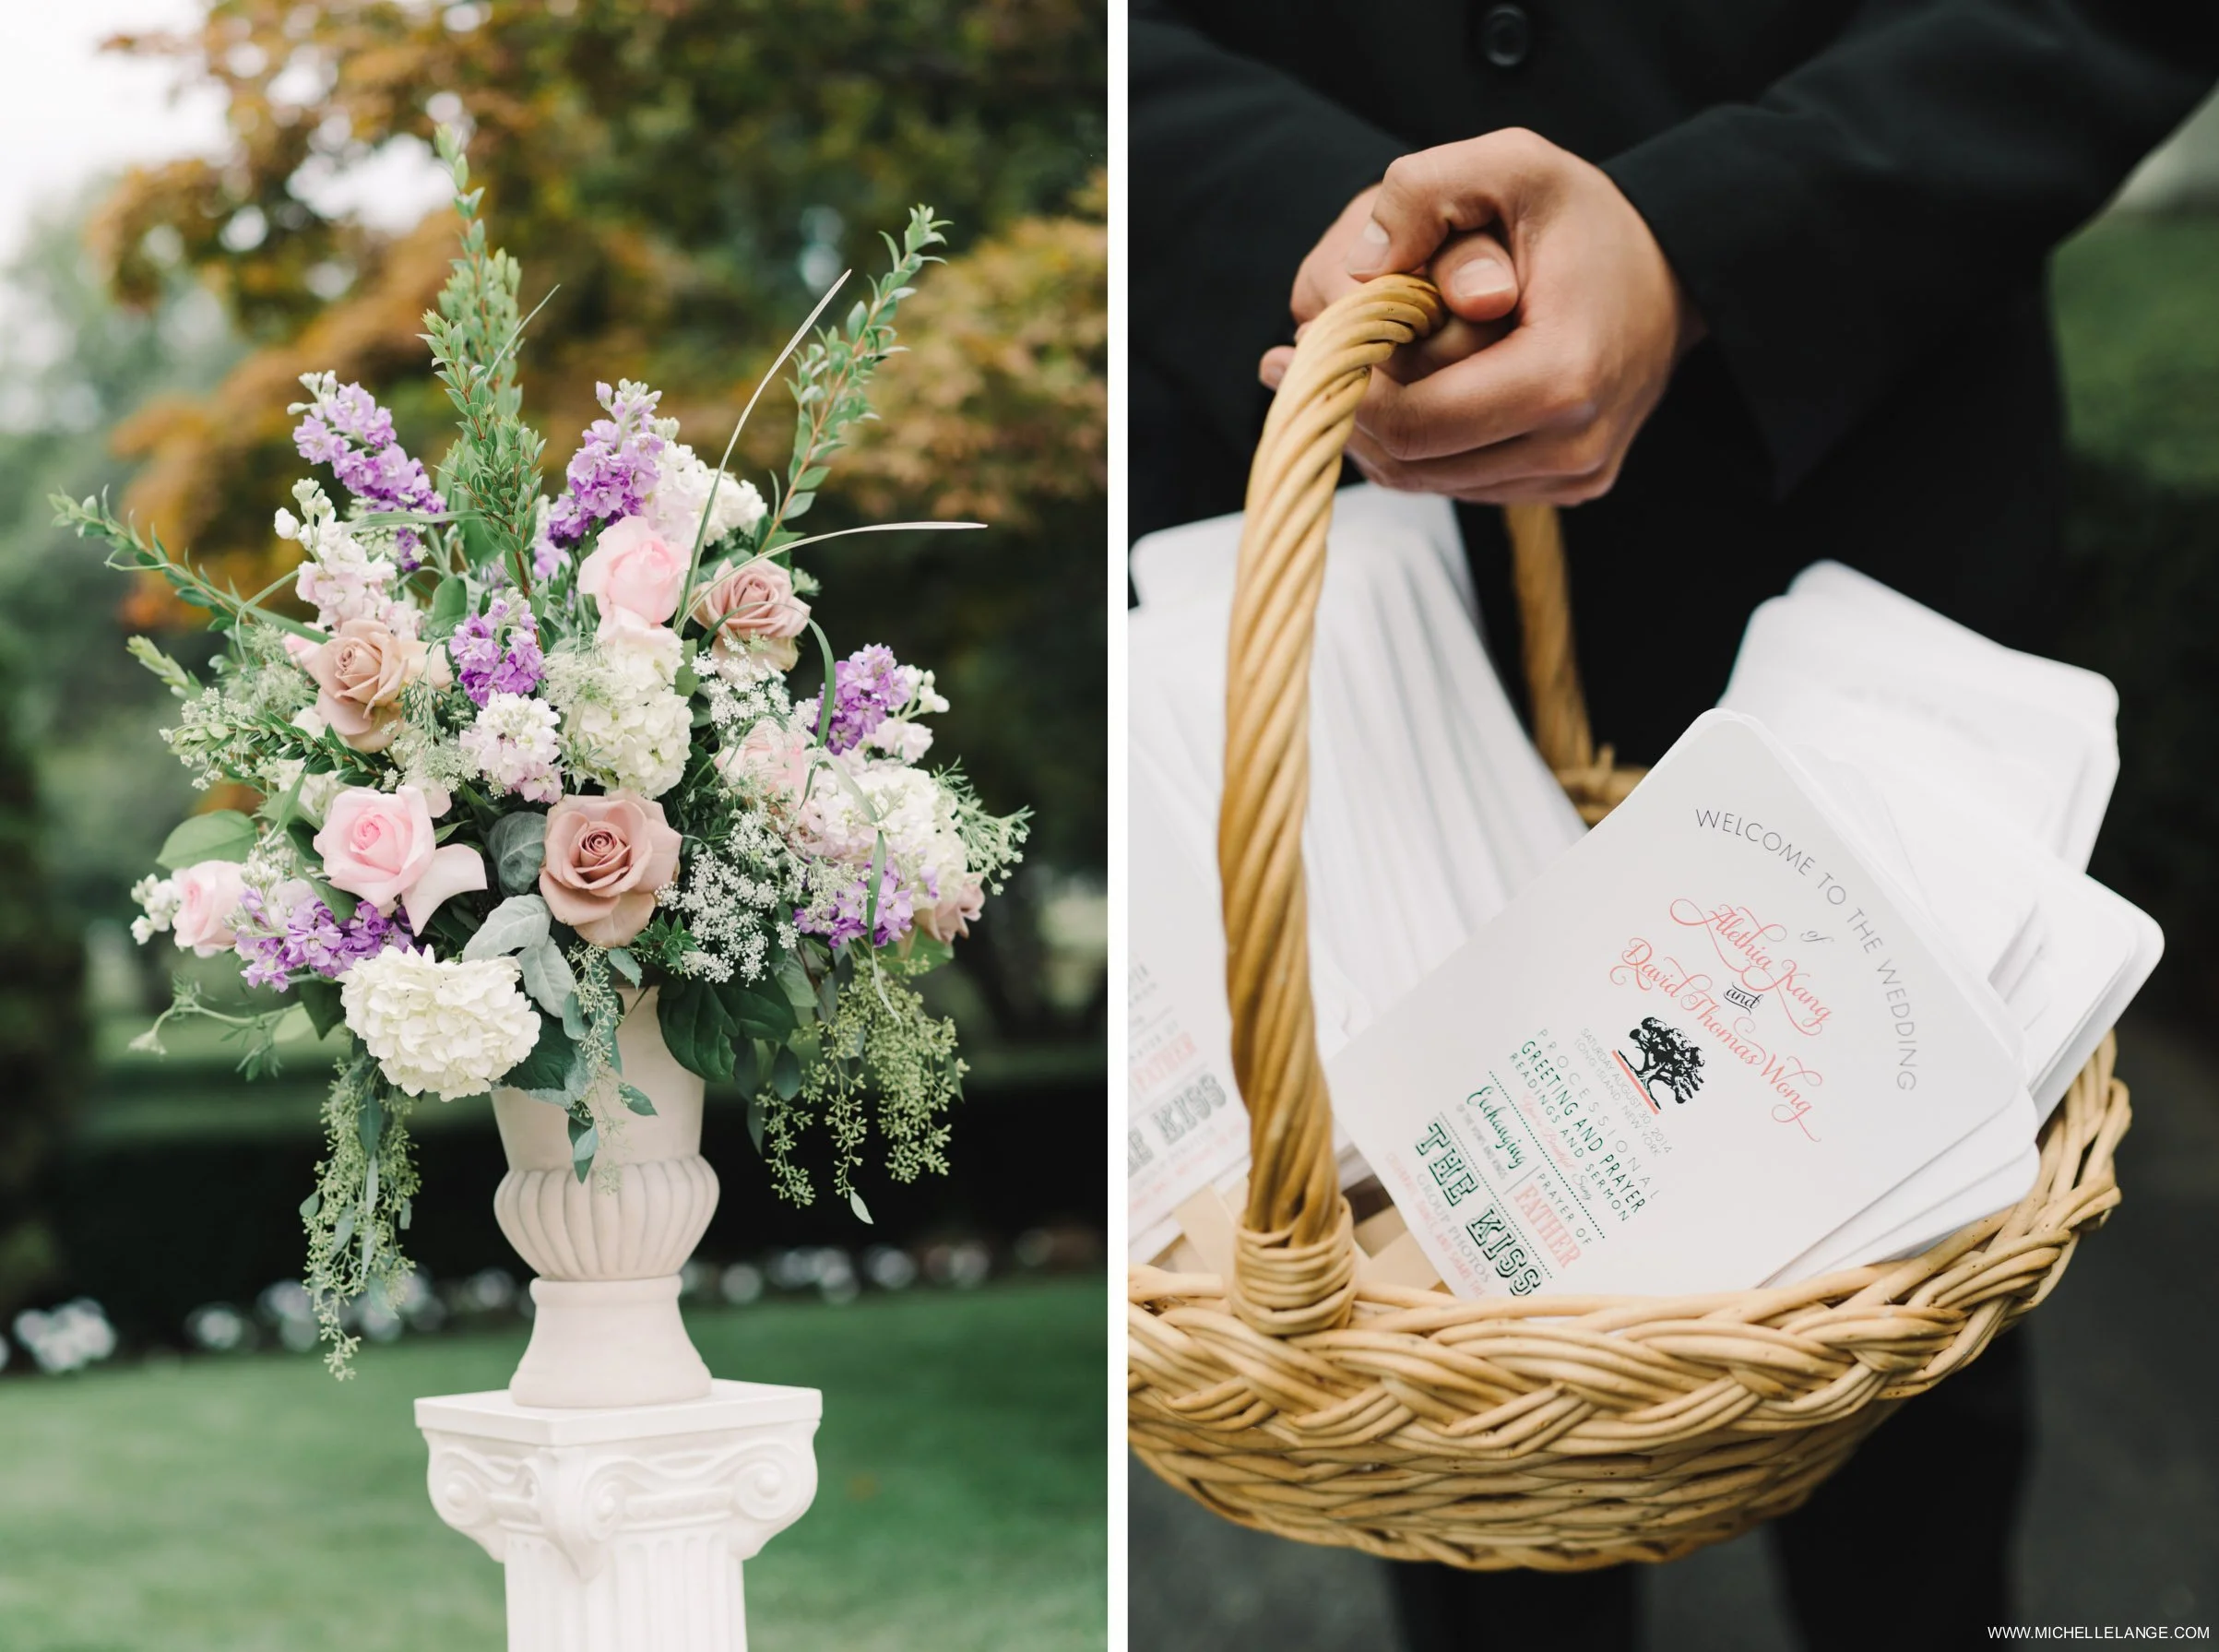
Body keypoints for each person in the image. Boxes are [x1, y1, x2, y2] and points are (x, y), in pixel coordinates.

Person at [1131, 3, 2219, 1646]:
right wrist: (1377, 243)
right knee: (1449, 1447)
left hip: (1862, 426)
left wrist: (1714, 234)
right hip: (1336, 460)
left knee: (1914, 1333)